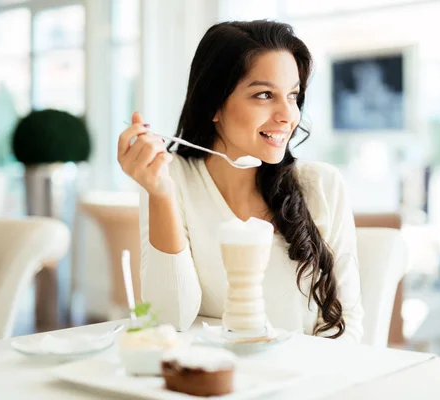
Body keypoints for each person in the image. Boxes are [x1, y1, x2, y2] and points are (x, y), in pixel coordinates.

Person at [117, 20, 364, 343]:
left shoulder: (323, 185)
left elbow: (347, 328)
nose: (288, 115)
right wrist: (161, 193)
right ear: (214, 104)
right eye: (264, 95)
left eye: (292, 95)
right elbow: (170, 318)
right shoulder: (168, 177)